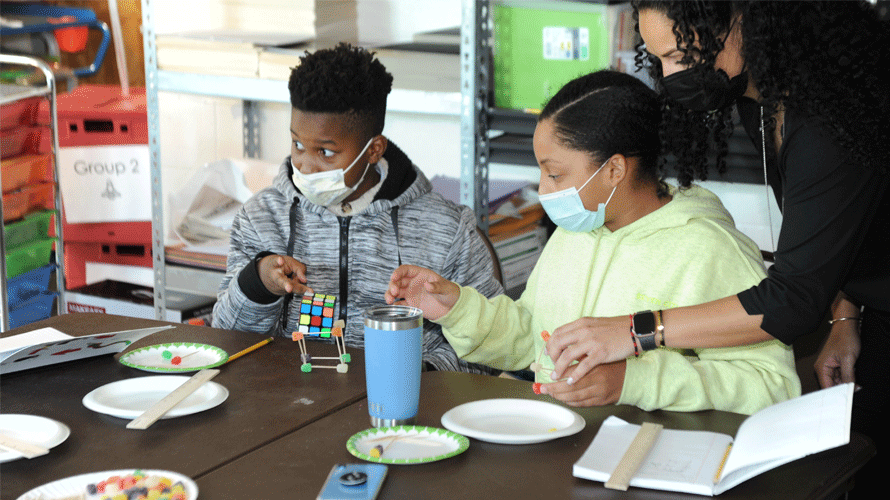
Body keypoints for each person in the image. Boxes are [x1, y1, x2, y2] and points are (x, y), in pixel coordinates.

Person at [543, 1, 888, 493]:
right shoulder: (762, 103)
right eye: (658, 58)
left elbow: (789, 303)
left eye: (682, 54)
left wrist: (638, 331)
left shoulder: (829, 114)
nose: (670, 76)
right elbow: (847, 225)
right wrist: (845, 313)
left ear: (746, 20)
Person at [385, 70, 800, 414]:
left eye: (556, 174)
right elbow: (535, 337)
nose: (543, 188)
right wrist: (456, 309)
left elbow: (772, 386)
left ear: (614, 170)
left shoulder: (710, 249)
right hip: (562, 448)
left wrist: (630, 381)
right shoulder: (576, 233)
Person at [212, 43, 503, 373]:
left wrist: (424, 375)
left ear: (374, 149)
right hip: (287, 405)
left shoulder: (448, 229)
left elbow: (489, 346)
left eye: (326, 153)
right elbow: (227, 338)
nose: (306, 166)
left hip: (404, 410)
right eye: (297, 144)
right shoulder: (262, 217)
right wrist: (257, 283)